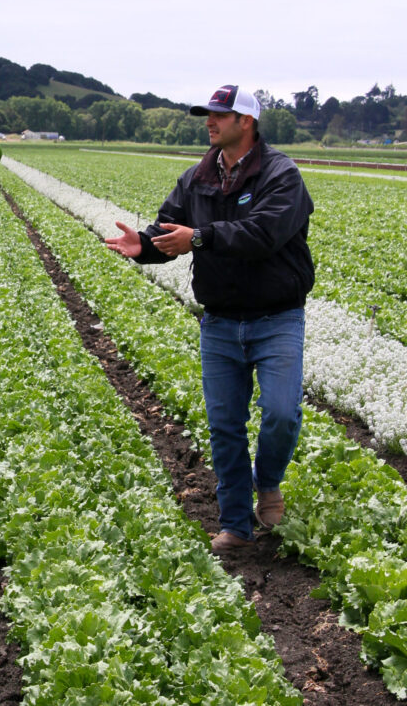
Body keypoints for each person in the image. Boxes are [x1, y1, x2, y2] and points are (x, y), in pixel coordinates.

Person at [105, 84, 314, 553]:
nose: (209, 122)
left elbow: (264, 233)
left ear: (247, 122)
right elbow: (169, 227)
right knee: (224, 426)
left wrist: (199, 237)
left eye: (219, 115)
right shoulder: (198, 176)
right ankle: (236, 525)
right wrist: (144, 243)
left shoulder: (282, 174)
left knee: (281, 414)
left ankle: (269, 480)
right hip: (219, 321)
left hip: (276, 317)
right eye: (207, 114)